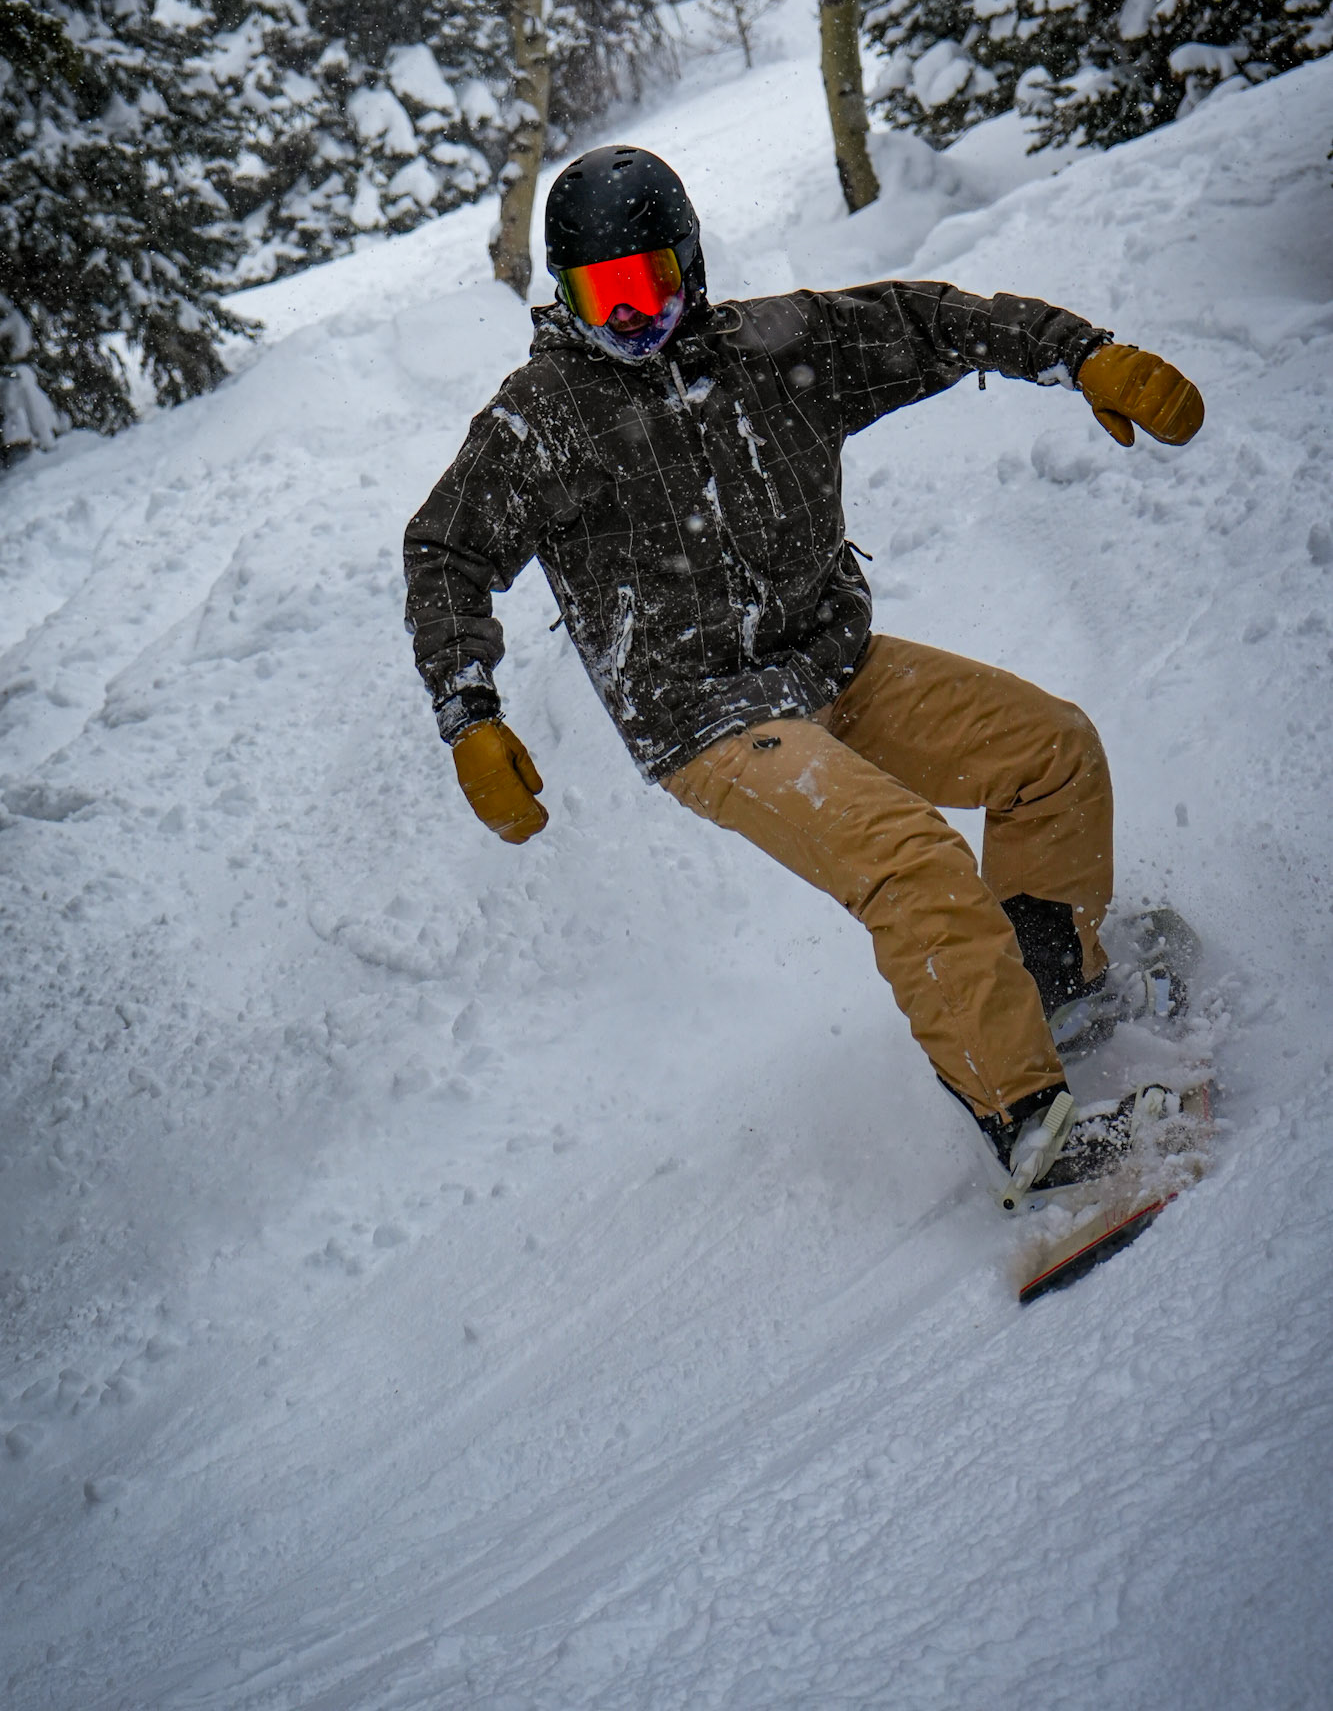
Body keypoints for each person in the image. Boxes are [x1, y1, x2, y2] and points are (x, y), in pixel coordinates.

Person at [403, 145, 1204, 1208]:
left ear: (690, 268)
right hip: (704, 717)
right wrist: (468, 710)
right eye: (601, 297)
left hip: (832, 663)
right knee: (910, 861)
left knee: (1049, 752)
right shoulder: (543, 418)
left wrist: (1082, 356)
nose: (630, 320)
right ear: (564, 297)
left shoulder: (776, 349)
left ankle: (1048, 985)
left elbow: (929, 321)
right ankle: (1030, 1128)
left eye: (648, 285)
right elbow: (445, 552)